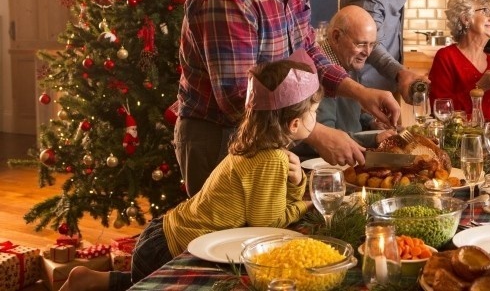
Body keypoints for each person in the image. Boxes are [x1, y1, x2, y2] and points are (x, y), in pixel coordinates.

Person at [174, 0, 400, 196]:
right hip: (220, 137)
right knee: (223, 239)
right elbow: (238, 98)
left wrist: (360, 93)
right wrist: (316, 133)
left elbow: (308, 54)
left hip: (268, 132)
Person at [60, 54, 322, 291]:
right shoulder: (271, 159)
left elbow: (268, 208)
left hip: (162, 235)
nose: (316, 118)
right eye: (314, 112)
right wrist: (305, 204)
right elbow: (268, 225)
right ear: (294, 123)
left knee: (140, 282)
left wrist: (296, 181)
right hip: (172, 249)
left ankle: (90, 280)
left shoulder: (254, 147)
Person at [291, 5, 395, 161]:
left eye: (372, 44)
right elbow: (324, 142)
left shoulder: (348, 62)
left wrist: (371, 123)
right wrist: (373, 140)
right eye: (360, 44)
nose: (367, 52)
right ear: (336, 37)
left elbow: (348, 119)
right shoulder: (317, 76)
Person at [428, 0, 490, 124]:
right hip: (463, 141)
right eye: (485, 11)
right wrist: (479, 88)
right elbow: (441, 113)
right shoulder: (446, 57)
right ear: (466, 19)